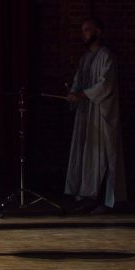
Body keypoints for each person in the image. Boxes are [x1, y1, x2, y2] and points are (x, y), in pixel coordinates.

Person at [65, 18, 126, 214]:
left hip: (101, 114)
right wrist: (73, 94)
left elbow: (105, 85)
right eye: (82, 30)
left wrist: (82, 94)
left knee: (101, 156)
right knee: (86, 156)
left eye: (87, 30)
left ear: (98, 32)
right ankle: (86, 195)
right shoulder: (85, 59)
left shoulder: (106, 56)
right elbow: (77, 81)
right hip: (86, 114)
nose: (83, 34)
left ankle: (103, 200)